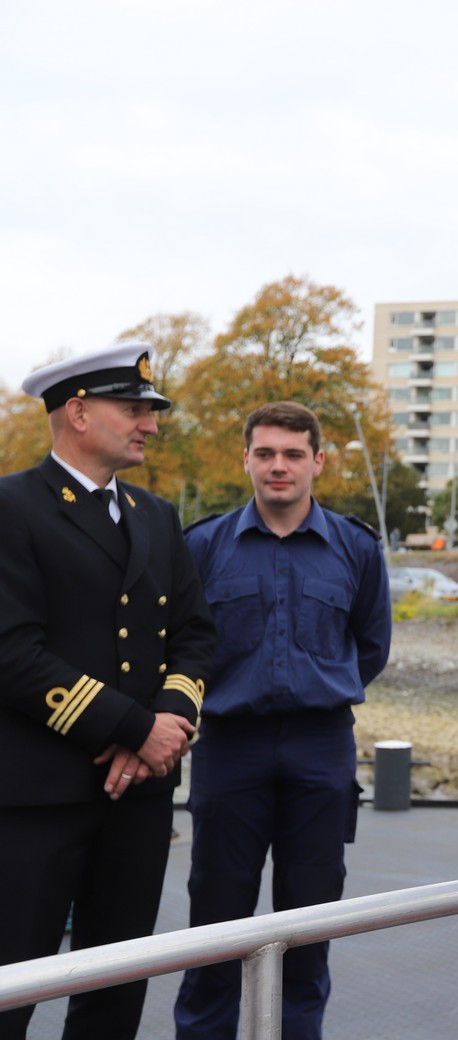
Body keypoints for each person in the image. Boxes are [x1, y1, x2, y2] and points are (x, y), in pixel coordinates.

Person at [0, 342, 214, 1039]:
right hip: (38, 800)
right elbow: (12, 653)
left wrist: (167, 722)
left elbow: (194, 634)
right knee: (10, 990)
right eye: (134, 409)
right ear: (78, 413)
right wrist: (131, 727)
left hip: (139, 800)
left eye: (150, 411)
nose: (149, 424)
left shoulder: (156, 515)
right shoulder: (12, 507)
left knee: (114, 998)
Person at [174, 402, 391, 1040]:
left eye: (293, 454)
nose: (279, 466)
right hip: (229, 748)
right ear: (245, 459)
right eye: (265, 453)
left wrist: (314, 687)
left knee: (309, 927)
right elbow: (182, 646)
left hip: (320, 749)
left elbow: (371, 646)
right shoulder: (203, 546)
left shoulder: (355, 548)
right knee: (215, 925)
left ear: (317, 462)